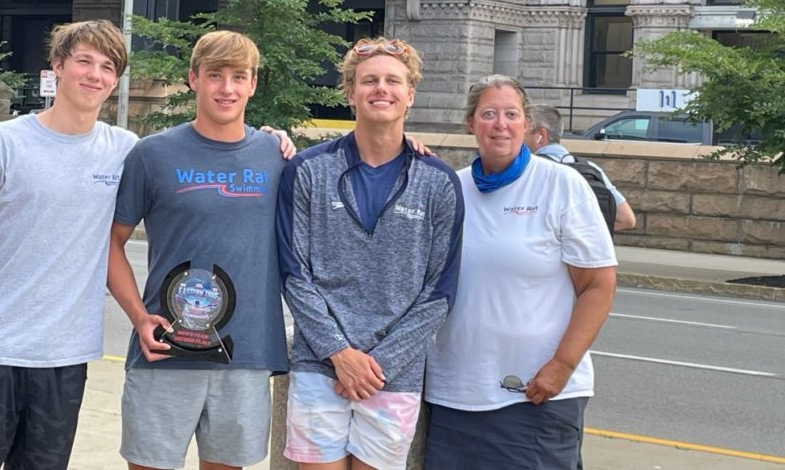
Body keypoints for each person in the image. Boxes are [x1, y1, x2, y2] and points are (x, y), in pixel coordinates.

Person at [0, 19, 138, 470]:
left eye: (106, 66)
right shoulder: (4, 141)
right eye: (84, 61)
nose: (94, 74)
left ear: (115, 81)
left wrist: (268, 140)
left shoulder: (124, 150)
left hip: (65, 359)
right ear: (58, 67)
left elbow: (193, 159)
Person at [277, 37, 464, 470]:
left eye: (393, 81)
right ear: (350, 93)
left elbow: (441, 291)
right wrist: (339, 354)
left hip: (393, 375)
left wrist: (376, 365)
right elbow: (293, 273)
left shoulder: (438, 182)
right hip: (320, 365)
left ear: (410, 94)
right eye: (369, 81)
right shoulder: (308, 170)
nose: (381, 89)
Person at [108, 30, 292, 470]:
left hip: (244, 353)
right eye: (214, 75)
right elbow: (110, 243)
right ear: (193, 79)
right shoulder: (151, 155)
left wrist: (410, 148)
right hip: (167, 350)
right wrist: (138, 317)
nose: (226, 88)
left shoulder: (277, 155)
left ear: (253, 84)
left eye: (238, 76)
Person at [424, 75, 617, 470]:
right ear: (470, 123)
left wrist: (562, 366)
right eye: (489, 114)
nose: (500, 124)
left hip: (534, 394)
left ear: (527, 124)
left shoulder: (560, 185)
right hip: (454, 394)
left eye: (511, 114)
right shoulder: (451, 189)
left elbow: (598, 285)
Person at [527, 103, 636, 231]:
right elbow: (627, 219)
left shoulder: (529, 169)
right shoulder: (590, 168)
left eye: (521, 131)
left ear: (541, 136)